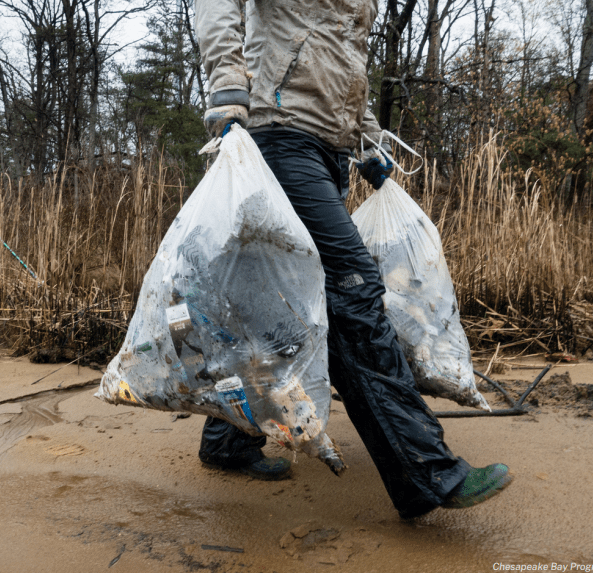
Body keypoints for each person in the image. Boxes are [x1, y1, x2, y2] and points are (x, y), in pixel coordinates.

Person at [194, 0, 512, 519]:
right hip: (279, 135)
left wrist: (365, 136)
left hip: (325, 149)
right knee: (354, 295)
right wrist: (229, 87)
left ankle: (227, 444)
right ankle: (425, 472)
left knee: (272, 306)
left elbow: (340, 60)